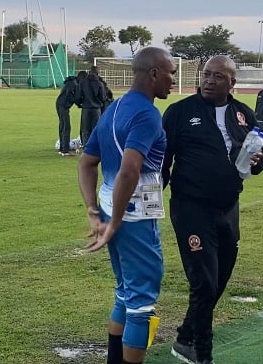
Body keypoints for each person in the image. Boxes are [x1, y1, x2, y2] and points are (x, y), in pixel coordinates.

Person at [162, 55, 263, 364]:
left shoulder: (244, 114)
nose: (209, 80)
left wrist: (258, 162)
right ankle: (201, 354)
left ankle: (184, 337)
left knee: (219, 279)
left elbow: (259, 159)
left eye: (218, 76)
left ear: (232, 82)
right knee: (203, 282)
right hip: (191, 206)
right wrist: (150, 199)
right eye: (206, 74)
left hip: (228, 206)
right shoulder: (179, 112)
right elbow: (162, 161)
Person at [77, 47, 177, 364]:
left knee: (125, 292)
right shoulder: (147, 114)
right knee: (141, 303)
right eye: (171, 73)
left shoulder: (114, 108)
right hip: (133, 217)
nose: (173, 80)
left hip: (112, 211)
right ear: (153, 74)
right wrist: (118, 221)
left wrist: (95, 212)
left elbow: (86, 163)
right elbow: (130, 169)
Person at [77, 67, 106, 147]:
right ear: (97, 73)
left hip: (86, 108)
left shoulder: (83, 82)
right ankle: (95, 147)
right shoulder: (100, 83)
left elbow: (79, 96)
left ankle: (86, 148)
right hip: (96, 109)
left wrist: (80, 103)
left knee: (85, 130)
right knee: (95, 129)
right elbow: (103, 97)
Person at [56, 74, 79, 156]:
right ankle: (65, 151)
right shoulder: (74, 83)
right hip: (63, 106)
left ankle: (62, 148)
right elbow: (70, 94)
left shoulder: (69, 82)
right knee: (66, 127)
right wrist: (78, 102)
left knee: (62, 126)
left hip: (60, 104)